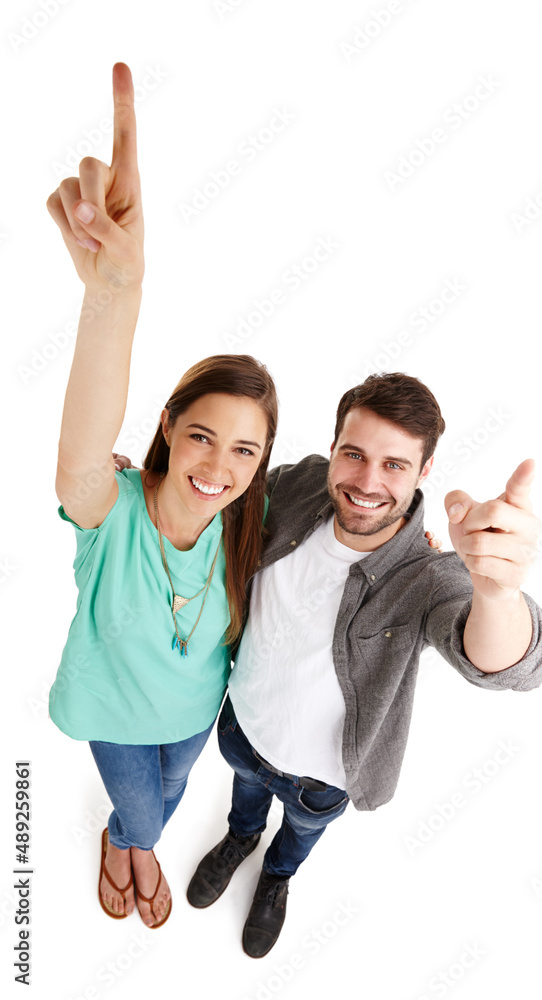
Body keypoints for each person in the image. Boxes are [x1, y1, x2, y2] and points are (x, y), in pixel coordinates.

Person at [186, 373, 542, 957]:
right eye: (354, 454)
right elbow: (218, 504)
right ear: (332, 450)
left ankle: (278, 876)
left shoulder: (431, 574)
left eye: (395, 465)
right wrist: (134, 483)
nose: (367, 481)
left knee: (300, 837)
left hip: (321, 779)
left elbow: (509, 667)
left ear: (424, 471)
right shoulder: (299, 484)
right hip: (242, 727)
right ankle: (240, 838)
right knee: (245, 796)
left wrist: (498, 594)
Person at [46, 63, 277, 929]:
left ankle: (133, 832)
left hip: (192, 715)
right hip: (112, 708)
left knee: (175, 788)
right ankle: (124, 841)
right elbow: (75, 459)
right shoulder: (112, 509)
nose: (218, 464)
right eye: (203, 436)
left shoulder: (251, 522)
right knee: (145, 816)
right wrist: (115, 297)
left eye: (244, 449)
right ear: (171, 427)